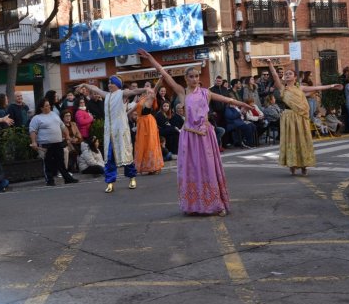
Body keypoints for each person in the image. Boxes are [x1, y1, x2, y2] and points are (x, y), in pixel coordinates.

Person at [139, 48, 253, 216]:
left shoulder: (206, 93)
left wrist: (244, 105)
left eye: (196, 76)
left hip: (206, 135)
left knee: (208, 168)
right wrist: (150, 58)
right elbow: (163, 72)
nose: (194, 79)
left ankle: (216, 204)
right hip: (189, 136)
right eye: (191, 76)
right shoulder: (182, 92)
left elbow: (227, 99)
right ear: (186, 79)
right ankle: (193, 205)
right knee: (191, 169)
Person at [267, 60, 343, 176]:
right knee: (291, 141)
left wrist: (332, 86)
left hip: (300, 117)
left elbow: (317, 88)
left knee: (302, 140)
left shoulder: (300, 88)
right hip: (288, 117)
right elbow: (274, 75)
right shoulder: (283, 88)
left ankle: (304, 165)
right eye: (285, 74)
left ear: (295, 77)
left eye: (290, 74)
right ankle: (292, 164)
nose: (287, 75)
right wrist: (270, 64)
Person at [76, 78, 147, 193]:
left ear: (117, 85)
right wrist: (84, 84)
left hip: (121, 131)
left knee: (126, 155)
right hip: (109, 132)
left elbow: (133, 92)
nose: (109, 85)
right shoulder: (107, 95)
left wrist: (146, 89)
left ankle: (132, 178)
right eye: (108, 83)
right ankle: (110, 182)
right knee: (109, 158)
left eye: (112, 83)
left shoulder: (122, 94)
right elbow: (95, 88)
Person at [29, 98, 79, 186]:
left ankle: (67, 178)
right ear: (41, 108)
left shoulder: (54, 114)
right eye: (46, 106)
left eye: (49, 105)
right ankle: (50, 180)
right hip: (46, 144)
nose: (49, 107)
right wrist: (34, 142)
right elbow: (32, 131)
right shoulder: (36, 118)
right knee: (48, 163)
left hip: (58, 143)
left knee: (61, 162)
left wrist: (67, 136)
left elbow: (63, 126)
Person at [134, 86, 164, 175]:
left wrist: (160, 78)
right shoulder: (142, 98)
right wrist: (126, 113)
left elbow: (155, 88)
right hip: (141, 123)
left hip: (148, 123)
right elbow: (134, 108)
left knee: (150, 143)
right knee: (142, 144)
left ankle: (153, 166)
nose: (147, 89)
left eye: (149, 87)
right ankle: (145, 166)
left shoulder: (150, 98)